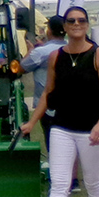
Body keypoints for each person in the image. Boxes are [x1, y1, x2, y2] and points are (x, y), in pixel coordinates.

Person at [20, 6, 99, 197]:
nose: (76, 24)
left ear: (86, 24)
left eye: (81, 20)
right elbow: (48, 93)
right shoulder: (56, 56)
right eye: (71, 20)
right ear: (64, 26)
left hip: (90, 131)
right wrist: (31, 122)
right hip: (61, 127)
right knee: (59, 184)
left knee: (93, 183)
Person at [18, 16, 67, 149]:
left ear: (49, 31)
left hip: (47, 106)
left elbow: (21, 69)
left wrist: (30, 50)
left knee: (52, 143)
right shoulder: (71, 48)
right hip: (68, 105)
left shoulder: (40, 52)